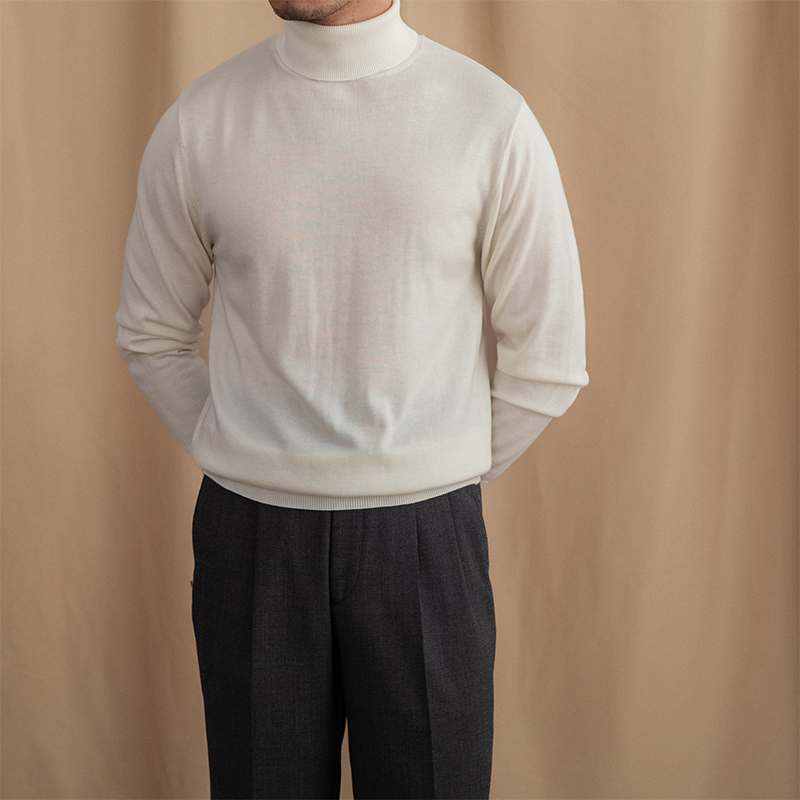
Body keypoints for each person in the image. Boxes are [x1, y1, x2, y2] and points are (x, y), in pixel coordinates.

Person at [115, 0, 588, 797]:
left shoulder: (488, 117)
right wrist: (247, 450)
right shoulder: (202, 121)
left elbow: (550, 362)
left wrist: (429, 468)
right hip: (250, 536)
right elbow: (150, 333)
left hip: (427, 539)